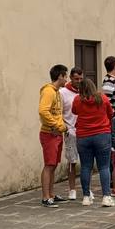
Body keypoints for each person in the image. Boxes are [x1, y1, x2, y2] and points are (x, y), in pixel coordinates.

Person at [72, 76, 115, 207]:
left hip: (83, 136)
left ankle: (86, 196)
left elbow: (74, 111)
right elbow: (110, 113)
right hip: (102, 135)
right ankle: (106, 196)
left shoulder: (77, 100)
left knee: (85, 167)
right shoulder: (102, 98)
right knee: (104, 167)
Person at [38, 64, 68, 207]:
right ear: (60, 76)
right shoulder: (48, 91)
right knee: (49, 165)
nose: (66, 79)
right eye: (65, 76)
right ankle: (45, 197)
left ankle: (51, 194)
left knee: (54, 164)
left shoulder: (56, 91)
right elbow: (43, 111)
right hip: (49, 133)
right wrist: (55, 125)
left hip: (57, 133)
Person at [59, 67, 83, 201]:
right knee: (71, 161)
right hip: (70, 130)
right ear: (71, 78)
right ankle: (72, 189)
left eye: (81, 79)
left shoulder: (84, 91)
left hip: (84, 130)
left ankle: (87, 188)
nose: (79, 81)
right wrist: (65, 128)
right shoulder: (63, 92)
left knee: (86, 161)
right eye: (76, 79)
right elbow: (59, 112)